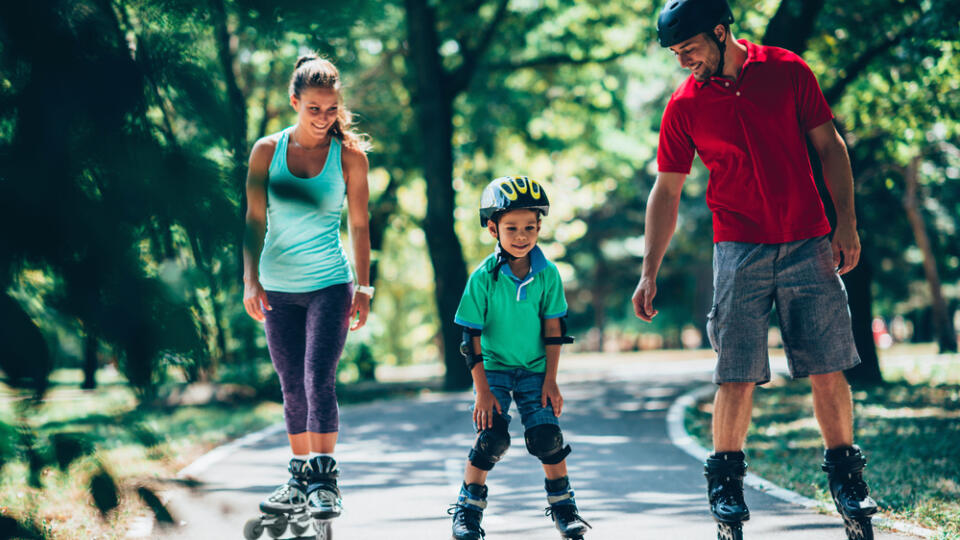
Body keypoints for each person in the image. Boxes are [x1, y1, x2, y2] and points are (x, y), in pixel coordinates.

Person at [633, 1, 878, 538]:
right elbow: (666, 190)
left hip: (808, 241)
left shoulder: (787, 71)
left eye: (689, 49)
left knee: (827, 364)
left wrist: (847, 224)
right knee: (736, 371)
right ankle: (726, 485)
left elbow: (830, 146)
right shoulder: (684, 106)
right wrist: (650, 269)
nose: (683, 62)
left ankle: (846, 478)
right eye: (675, 54)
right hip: (738, 248)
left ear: (721, 32)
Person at [242, 54, 373, 523]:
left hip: (329, 284)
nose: (323, 118)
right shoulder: (266, 152)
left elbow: (359, 226)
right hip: (277, 287)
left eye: (331, 109)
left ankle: (324, 478)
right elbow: (254, 219)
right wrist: (249, 280)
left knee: (318, 378)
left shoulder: (349, 158)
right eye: (313, 108)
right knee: (291, 385)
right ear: (295, 102)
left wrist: (365, 287)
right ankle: (299, 477)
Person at [447, 176, 590, 540]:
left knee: (547, 437)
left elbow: (554, 331)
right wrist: (482, 392)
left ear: (540, 226)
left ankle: (564, 508)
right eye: (511, 228)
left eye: (530, 227)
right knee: (492, 437)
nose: (522, 235)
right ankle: (467, 510)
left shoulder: (548, 274)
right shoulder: (483, 278)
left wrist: (551, 380)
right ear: (493, 228)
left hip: (535, 371)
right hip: (493, 369)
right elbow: (471, 338)